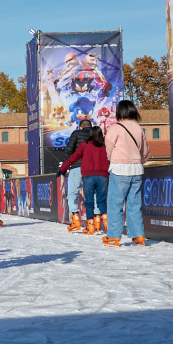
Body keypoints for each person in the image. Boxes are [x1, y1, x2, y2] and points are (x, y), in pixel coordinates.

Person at [103, 100, 150, 247]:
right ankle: (138, 235)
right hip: (136, 169)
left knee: (115, 203)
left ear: (119, 112)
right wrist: (139, 160)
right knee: (134, 204)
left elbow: (108, 149)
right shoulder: (138, 128)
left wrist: (112, 159)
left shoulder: (114, 128)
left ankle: (114, 236)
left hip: (119, 169)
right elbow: (146, 151)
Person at [57, 127, 109, 236]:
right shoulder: (106, 146)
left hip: (88, 174)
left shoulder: (84, 145)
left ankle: (86, 225)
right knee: (100, 200)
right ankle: (103, 223)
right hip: (103, 175)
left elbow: (72, 156)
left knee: (86, 200)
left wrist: (62, 168)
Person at [60, 119, 93, 231]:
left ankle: (75, 219)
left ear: (80, 127)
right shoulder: (96, 135)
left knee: (72, 194)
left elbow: (69, 150)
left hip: (77, 167)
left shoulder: (76, 133)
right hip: (92, 168)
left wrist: (64, 166)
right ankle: (94, 222)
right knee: (92, 195)